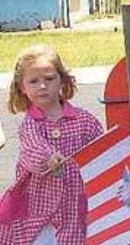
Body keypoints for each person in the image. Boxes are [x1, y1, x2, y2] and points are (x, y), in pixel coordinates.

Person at [0, 45, 104, 245]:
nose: (42, 86)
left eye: (49, 78)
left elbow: (101, 152)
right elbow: (32, 150)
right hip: (38, 212)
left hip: (74, 208)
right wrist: (49, 159)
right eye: (33, 81)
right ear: (22, 87)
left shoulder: (85, 120)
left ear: (62, 80)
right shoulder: (30, 124)